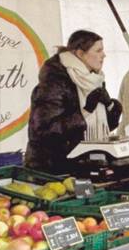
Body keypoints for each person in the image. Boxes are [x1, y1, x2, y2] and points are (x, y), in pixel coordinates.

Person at [25, 30, 122, 174]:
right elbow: (45, 131)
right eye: (98, 50)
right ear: (80, 54)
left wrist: (111, 107)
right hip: (52, 168)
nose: (104, 55)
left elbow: (104, 128)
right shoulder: (54, 82)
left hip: (81, 163)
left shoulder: (93, 79)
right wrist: (85, 112)